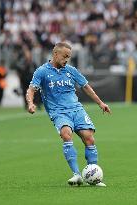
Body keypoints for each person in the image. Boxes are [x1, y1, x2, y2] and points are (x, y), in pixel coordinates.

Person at [26, 42, 111, 186]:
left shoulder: (71, 70)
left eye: (69, 57)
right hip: (58, 112)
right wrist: (30, 103)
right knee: (66, 134)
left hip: (77, 110)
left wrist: (101, 103)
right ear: (55, 54)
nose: (67, 60)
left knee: (89, 138)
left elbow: (86, 87)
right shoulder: (42, 71)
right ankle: (76, 174)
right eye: (65, 56)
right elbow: (31, 89)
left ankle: (94, 177)